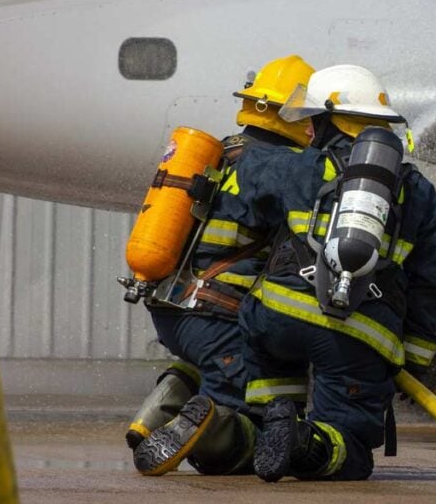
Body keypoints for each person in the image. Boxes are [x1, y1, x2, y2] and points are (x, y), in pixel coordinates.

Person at [232, 64, 436, 481]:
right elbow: (434, 280)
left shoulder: (298, 167)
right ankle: (305, 443)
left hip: (274, 319)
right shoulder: (416, 188)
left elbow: (250, 188)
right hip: (354, 331)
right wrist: (414, 356)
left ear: (325, 120)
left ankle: (255, 428)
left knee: (271, 377)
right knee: (349, 443)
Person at [128, 55, 315, 476]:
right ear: (299, 116)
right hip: (217, 315)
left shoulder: (226, 152)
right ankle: (210, 426)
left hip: (171, 306)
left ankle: (155, 415)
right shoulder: (283, 168)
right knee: (252, 426)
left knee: (204, 363)